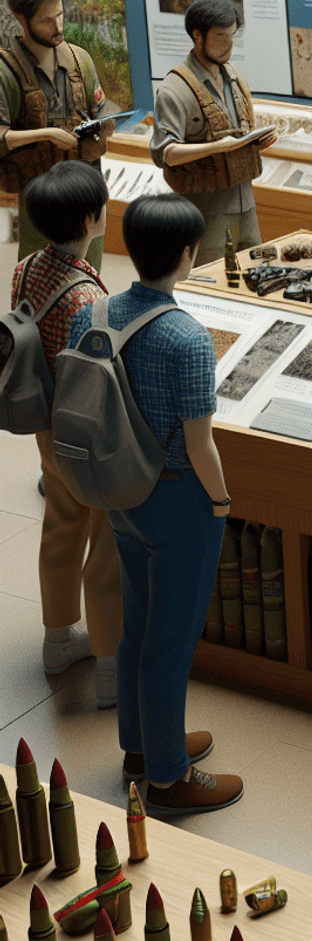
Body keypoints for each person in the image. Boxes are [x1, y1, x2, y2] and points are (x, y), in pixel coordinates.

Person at [67, 194, 241, 813]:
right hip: (176, 500)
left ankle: (141, 747)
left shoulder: (93, 311)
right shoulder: (188, 338)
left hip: (119, 490)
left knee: (140, 625)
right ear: (189, 254)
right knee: (172, 641)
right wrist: (220, 503)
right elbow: (201, 445)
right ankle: (168, 778)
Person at [11, 161, 121, 708]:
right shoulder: (84, 297)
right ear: (90, 218)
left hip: (44, 423)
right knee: (105, 540)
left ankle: (59, 639)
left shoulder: (29, 266)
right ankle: (109, 665)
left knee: (59, 525)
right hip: (83, 432)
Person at [1, 0, 117, 268]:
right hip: (41, 190)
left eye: (61, 15)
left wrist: (105, 126)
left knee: (90, 269)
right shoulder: (6, 73)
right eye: (47, 21)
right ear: (22, 20)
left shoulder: (81, 60)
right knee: (40, 268)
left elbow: (98, 107)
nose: (59, 27)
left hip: (86, 183)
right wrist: (48, 134)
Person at [151, 0, 277, 266]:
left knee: (257, 273)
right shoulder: (175, 89)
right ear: (198, 36)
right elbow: (166, 153)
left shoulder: (233, 78)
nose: (229, 44)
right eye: (221, 36)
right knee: (209, 281)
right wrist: (219, 147)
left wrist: (254, 144)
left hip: (246, 204)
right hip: (207, 213)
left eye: (232, 35)